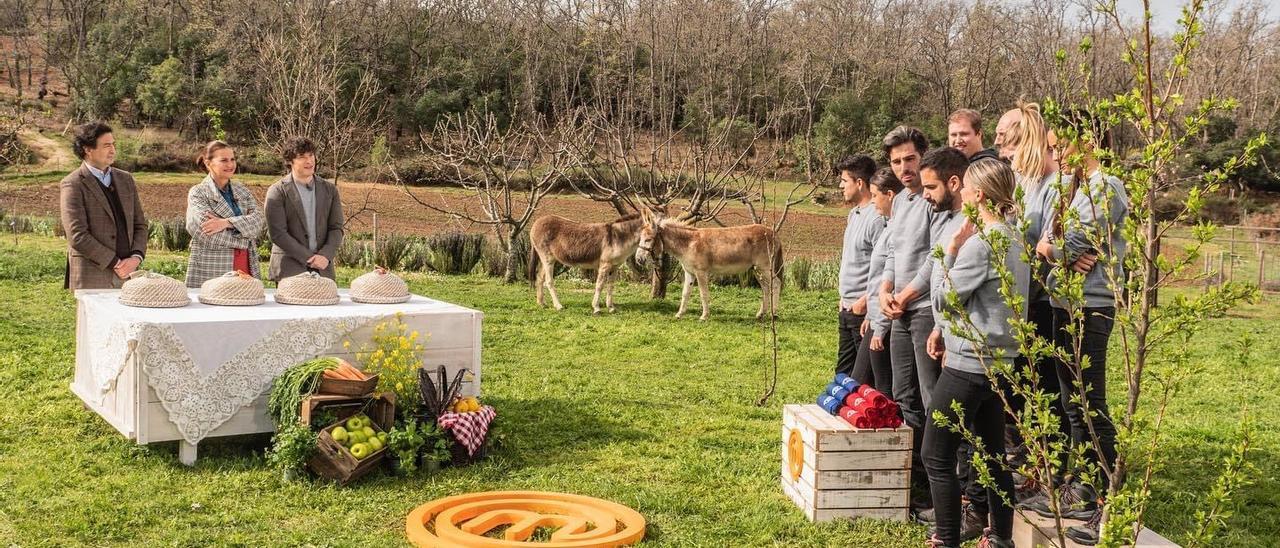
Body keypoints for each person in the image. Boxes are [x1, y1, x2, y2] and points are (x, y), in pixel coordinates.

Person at [1030, 110, 1130, 546]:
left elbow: (1070, 244)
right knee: (1073, 403)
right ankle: (1081, 489)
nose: (1055, 154)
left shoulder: (1106, 187)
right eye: (1051, 148)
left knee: (1089, 403)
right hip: (1063, 300)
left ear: (1087, 140)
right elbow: (1048, 242)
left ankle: (1103, 503)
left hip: (1091, 306)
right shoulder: (1069, 188)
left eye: (1060, 146)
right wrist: (1051, 249)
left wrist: (1055, 248)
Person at [923, 158, 1028, 548]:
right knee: (995, 454)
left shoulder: (982, 243)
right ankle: (1000, 539)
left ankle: (945, 540)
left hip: (970, 364)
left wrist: (950, 250)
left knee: (935, 454)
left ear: (979, 195)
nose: (961, 192)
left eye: (966, 187)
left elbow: (944, 300)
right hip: (1001, 366)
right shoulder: (1015, 238)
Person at [876, 125, 937, 518]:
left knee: (934, 401)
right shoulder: (899, 202)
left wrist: (907, 294)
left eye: (910, 159)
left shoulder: (934, 200)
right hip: (897, 311)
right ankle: (910, 482)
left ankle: (941, 489)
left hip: (926, 309)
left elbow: (937, 257)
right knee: (904, 399)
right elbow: (894, 254)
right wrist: (884, 290)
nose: (904, 168)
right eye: (897, 161)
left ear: (923, 157)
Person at [59, 122, 148, 290]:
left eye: (113, 144)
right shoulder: (73, 184)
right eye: (106, 145)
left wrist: (136, 258)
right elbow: (77, 235)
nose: (113, 150)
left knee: (127, 317)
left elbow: (140, 224)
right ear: (88, 149)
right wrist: (115, 263)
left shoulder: (126, 179)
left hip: (129, 274)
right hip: (92, 275)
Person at [184, 141, 266, 287]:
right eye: (224, 160)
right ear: (208, 163)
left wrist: (226, 223)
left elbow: (258, 221)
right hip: (212, 267)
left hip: (246, 263)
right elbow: (205, 231)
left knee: (247, 305)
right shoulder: (198, 193)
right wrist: (245, 239)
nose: (230, 164)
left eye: (232, 159)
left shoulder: (242, 190)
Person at [264, 137, 345, 281]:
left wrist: (325, 255)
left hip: (323, 269)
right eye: (302, 157)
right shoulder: (277, 191)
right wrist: (309, 258)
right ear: (290, 161)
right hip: (289, 269)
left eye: (311, 155)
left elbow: (336, 228)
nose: (309, 161)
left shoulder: (330, 190)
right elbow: (278, 234)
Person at [835, 155, 885, 381]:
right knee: (842, 375)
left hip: (862, 310)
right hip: (846, 308)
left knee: (863, 380)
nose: (840, 186)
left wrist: (865, 301)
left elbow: (885, 264)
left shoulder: (876, 218)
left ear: (859, 183)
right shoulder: (853, 215)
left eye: (844, 181)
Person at [855, 168, 902, 394]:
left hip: (884, 323)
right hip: (875, 318)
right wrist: (870, 315)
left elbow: (891, 280)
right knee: (860, 383)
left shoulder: (896, 231)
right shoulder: (888, 226)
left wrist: (881, 326)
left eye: (875, 195)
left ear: (890, 195)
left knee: (882, 388)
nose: (872, 201)